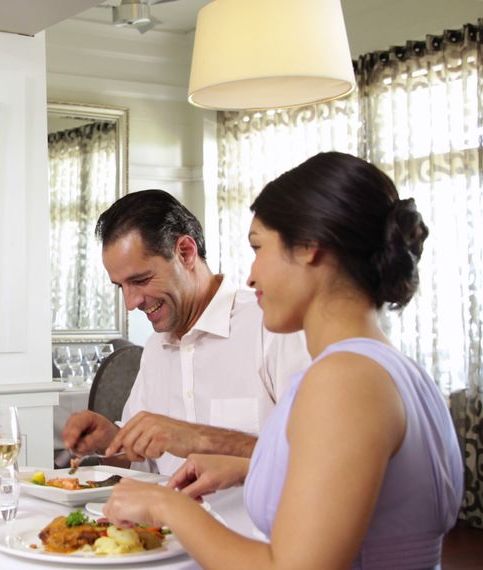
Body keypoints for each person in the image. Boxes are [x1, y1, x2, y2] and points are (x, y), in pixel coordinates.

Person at [102, 152, 463, 568]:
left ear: (309, 249)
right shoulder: (392, 369)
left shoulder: (344, 380)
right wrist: (243, 468)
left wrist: (166, 507)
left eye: (258, 247)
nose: (251, 275)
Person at [62, 190, 310, 475]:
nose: (131, 303)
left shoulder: (272, 328)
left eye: (141, 280)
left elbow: (317, 458)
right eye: (121, 287)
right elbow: (139, 461)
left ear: (186, 253)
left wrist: (200, 438)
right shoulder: (156, 348)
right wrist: (110, 440)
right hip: (161, 520)